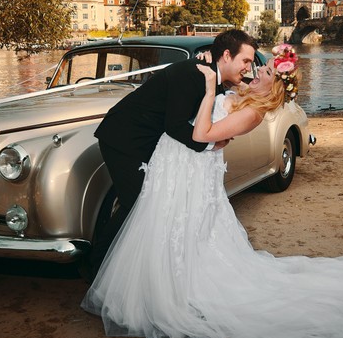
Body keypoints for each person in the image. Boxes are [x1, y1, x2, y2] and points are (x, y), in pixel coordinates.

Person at [81, 44, 343, 338]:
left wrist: (211, 91)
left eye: (265, 71)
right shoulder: (241, 96)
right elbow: (206, 125)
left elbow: (202, 133)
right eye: (254, 65)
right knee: (163, 225)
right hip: (179, 166)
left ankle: (156, 289)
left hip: (188, 164)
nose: (258, 69)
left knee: (172, 228)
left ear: (273, 86)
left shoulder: (254, 113)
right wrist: (211, 75)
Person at [89, 29, 259, 276]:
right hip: (124, 139)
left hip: (150, 142)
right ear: (225, 55)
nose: (248, 68)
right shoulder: (192, 74)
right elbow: (175, 125)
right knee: (136, 202)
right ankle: (98, 266)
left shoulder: (213, 75)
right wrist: (209, 144)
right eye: (245, 61)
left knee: (151, 202)